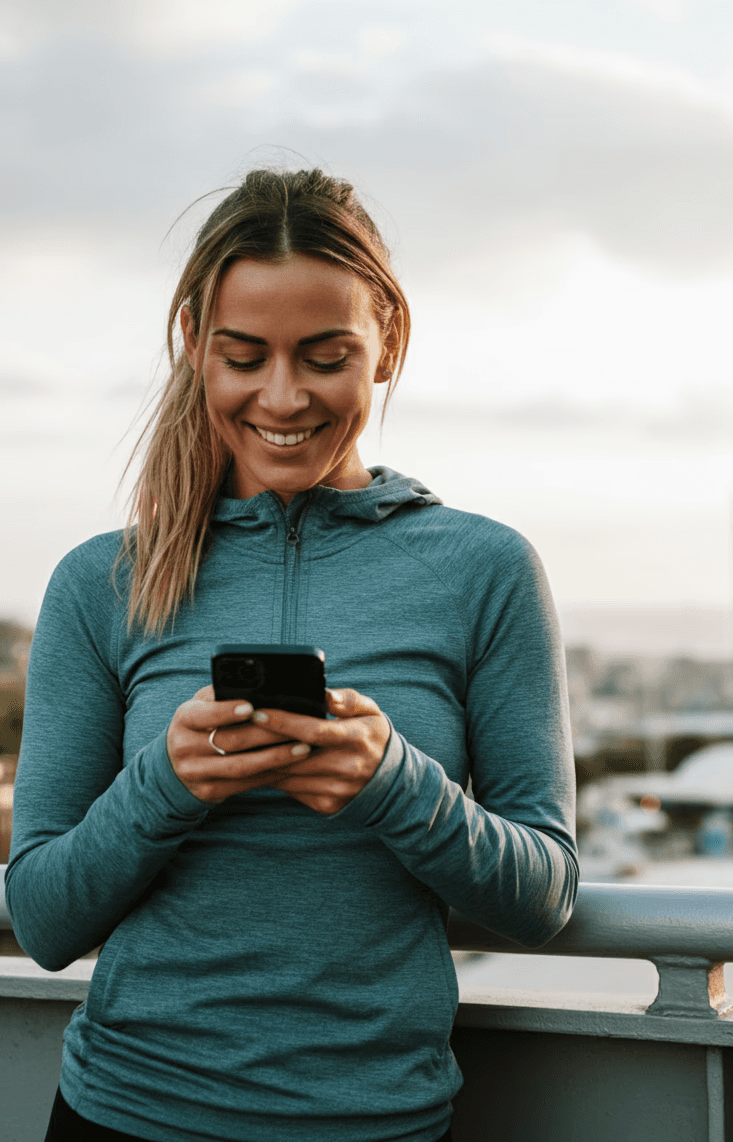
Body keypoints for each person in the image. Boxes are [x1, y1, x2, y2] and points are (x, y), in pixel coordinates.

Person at [6, 167, 579, 1142]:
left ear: (386, 341)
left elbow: (544, 894)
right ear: (194, 343)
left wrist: (394, 782)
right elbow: (43, 918)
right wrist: (167, 782)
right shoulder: (101, 581)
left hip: (377, 1121)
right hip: (123, 1112)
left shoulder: (484, 569)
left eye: (324, 355)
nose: (282, 395)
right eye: (244, 355)